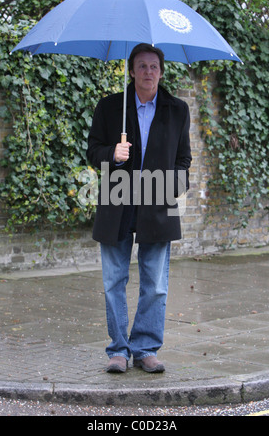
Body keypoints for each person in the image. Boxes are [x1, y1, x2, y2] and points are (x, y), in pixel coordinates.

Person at [87, 43, 192, 373]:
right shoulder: (109, 108)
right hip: (118, 199)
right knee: (113, 280)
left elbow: (183, 160)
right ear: (130, 71)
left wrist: (169, 187)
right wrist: (111, 155)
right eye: (142, 66)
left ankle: (145, 347)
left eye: (154, 66)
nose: (149, 72)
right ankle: (118, 349)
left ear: (162, 71)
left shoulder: (178, 109)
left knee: (156, 284)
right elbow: (93, 151)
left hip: (158, 202)